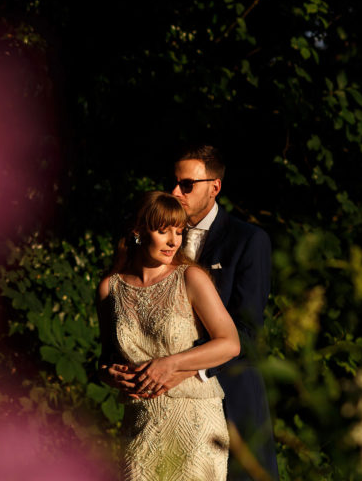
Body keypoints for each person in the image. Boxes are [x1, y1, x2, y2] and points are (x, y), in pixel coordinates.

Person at [106, 145, 280, 480]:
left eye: (187, 185)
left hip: (227, 395)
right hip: (151, 409)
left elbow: (247, 331)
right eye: (173, 182)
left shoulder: (248, 240)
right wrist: (116, 370)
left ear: (214, 187)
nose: (175, 192)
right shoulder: (149, 244)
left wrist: (180, 368)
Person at [97, 191, 240, 480]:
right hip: (141, 423)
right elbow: (105, 359)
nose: (174, 241)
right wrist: (109, 374)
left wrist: (171, 364)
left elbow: (230, 344)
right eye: (163, 231)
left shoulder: (190, 277)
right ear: (138, 231)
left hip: (195, 422)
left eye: (179, 231)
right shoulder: (109, 289)